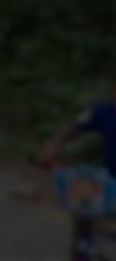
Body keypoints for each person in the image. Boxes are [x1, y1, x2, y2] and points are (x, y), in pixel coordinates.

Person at [35, 83, 116, 260]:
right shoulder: (104, 110)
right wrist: (52, 146)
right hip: (110, 179)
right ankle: (83, 248)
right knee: (83, 195)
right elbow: (74, 127)